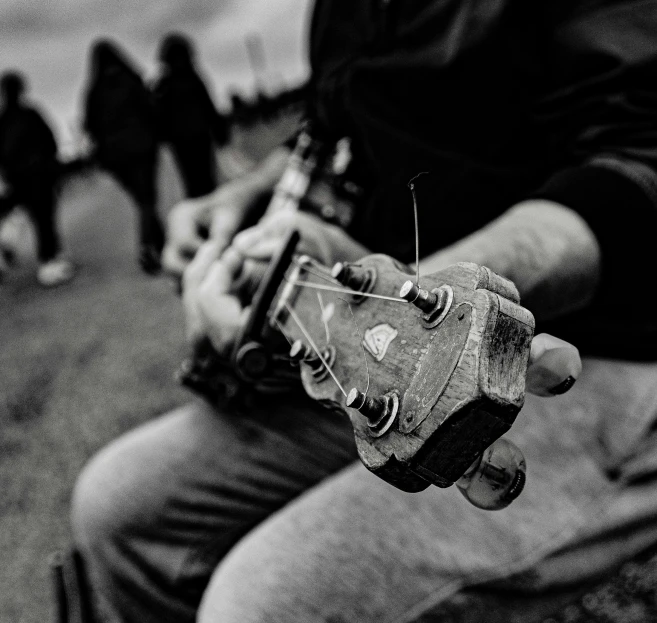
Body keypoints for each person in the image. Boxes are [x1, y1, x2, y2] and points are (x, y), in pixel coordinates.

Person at [71, 1, 657, 622]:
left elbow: (638, 155)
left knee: (256, 606)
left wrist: (418, 294)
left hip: (597, 345)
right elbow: (332, 127)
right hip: (379, 351)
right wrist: (238, 202)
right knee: (116, 504)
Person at [83, 39, 164, 274]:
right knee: (146, 199)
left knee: (143, 200)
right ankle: (148, 246)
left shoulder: (94, 91)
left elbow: (90, 126)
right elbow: (150, 110)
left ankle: (159, 243)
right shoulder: (131, 80)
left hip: (115, 157)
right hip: (141, 148)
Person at [0, 71, 74, 287]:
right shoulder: (31, 114)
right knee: (44, 220)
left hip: (17, 179)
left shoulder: (3, 119)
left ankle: (9, 246)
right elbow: (50, 140)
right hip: (39, 177)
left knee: (20, 215)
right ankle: (49, 264)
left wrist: (8, 176)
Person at [151, 33, 230, 200]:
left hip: (199, 136)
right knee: (193, 181)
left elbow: (208, 106)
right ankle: (202, 212)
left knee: (206, 178)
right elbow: (158, 116)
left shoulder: (191, 79)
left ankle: (210, 207)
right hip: (182, 141)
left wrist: (219, 128)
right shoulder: (164, 85)